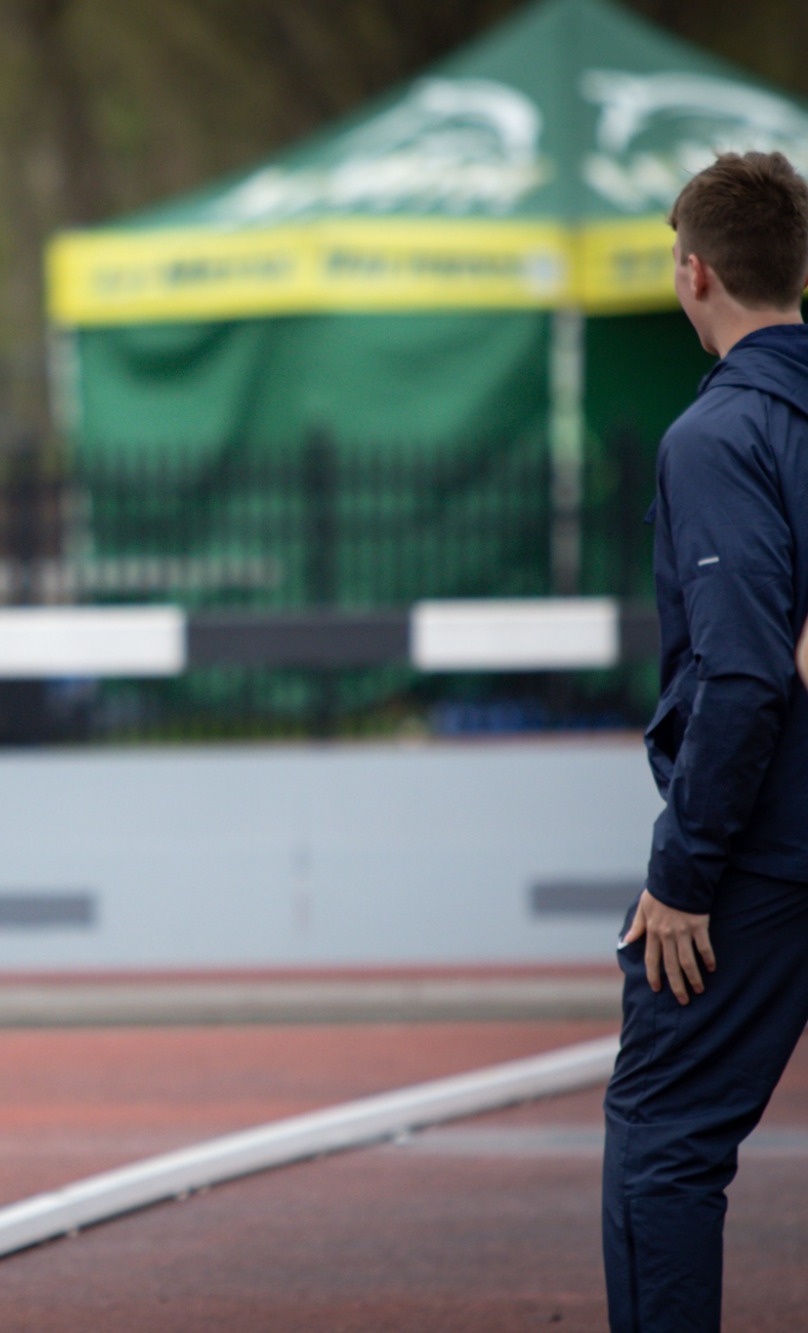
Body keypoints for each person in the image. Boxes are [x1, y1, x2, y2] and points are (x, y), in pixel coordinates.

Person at [604, 150, 808, 1332]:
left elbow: (738, 677)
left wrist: (680, 876)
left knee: (663, 1139)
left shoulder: (715, 434)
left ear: (693, 274)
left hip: (763, 848)